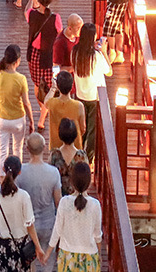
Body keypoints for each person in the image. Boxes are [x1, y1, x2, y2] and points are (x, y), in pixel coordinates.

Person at [0, 155, 44, 272]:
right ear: (20, 172)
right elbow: (30, 226)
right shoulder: (23, 196)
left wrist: (0, 223)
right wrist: (38, 247)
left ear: (3, 168)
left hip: (2, 246)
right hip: (21, 246)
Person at [43, 162, 101, 272]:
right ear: (88, 182)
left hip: (67, 257)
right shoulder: (95, 204)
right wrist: (99, 254)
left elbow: (57, 230)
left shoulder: (64, 202)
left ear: (72, 181)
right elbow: (97, 235)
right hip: (89, 256)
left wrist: (48, 253)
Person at [16, 133, 62, 272]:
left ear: (27, 149)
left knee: (29, 262)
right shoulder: (53, 172)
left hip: (27, 225)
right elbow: (58, 202)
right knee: (47, 264)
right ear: (44, 148)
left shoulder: (20, 172)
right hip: (48, 223)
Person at [0, 44, 34, 173]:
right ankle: (16, 176)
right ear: (17, 61)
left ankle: (3, 179)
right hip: (18, 119)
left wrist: (2, 92)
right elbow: (27, 103)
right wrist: (31, 120)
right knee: (17, 149)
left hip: (2, 119)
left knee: (2, 151)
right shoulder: (21, 79)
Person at [69, 24, 111, 162]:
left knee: (81, 128)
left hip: (79, 95)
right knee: (92, 129)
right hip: (94, 97)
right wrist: (103, 51)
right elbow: (109, 71)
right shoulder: (96, 56)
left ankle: (77, 155)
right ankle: (89, 160)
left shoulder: (74, 51)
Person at [25, 0, 61, 101]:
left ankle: (42, 108)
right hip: (50, 54)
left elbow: (26, 11)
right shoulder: (55, 18)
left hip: (34, 54)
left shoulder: (32, 14)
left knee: (37, 83)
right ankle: (48, 108)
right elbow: (60, 32)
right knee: (51, 83)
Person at [39, 70, 86, 150]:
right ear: (71, 86)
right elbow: (83, 128)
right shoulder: (79, 105)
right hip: (74, 146)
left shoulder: (52, 103)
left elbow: (45, 101)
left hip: (56, 147)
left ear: (58, 86)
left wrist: (53, 88)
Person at [48, 119, 89, 196]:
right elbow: (86, 177)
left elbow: (49, 176)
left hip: (58, 195)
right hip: (77, 196)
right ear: (75, 134)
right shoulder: (82, 156)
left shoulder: (54, 155)